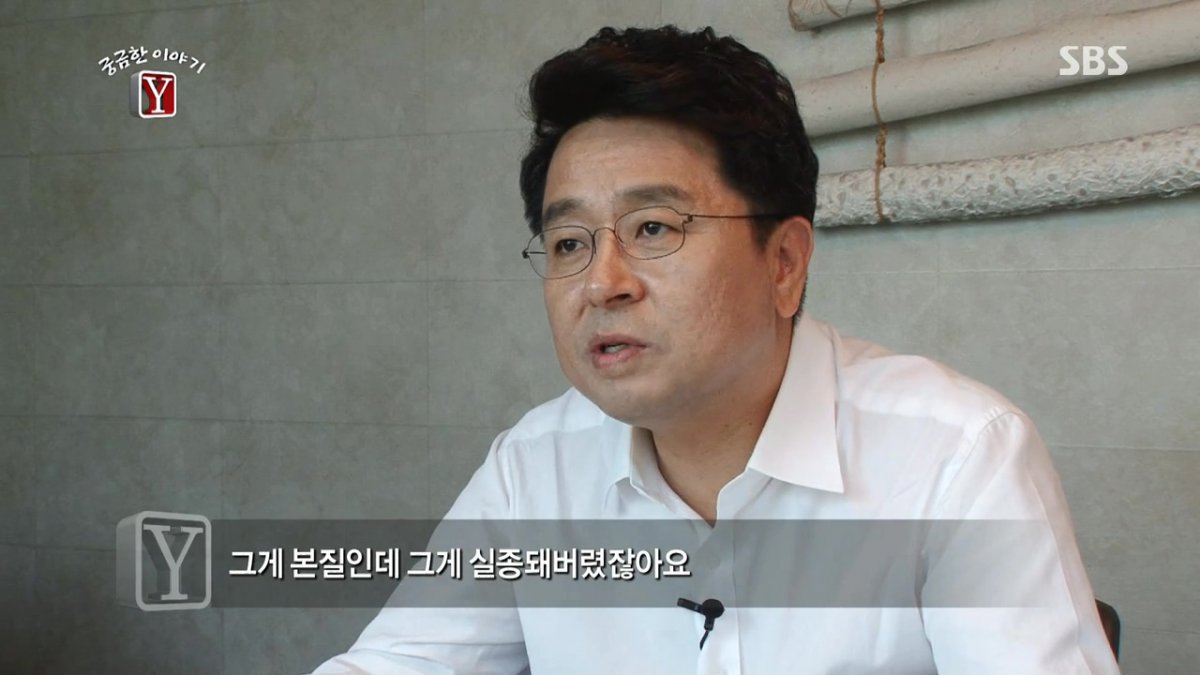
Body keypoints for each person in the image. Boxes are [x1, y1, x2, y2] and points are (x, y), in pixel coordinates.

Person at [312, 25, 1120, 674]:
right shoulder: (534, 468)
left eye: (653, 228)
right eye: (568, 243)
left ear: (784, 262)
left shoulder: (955, 458)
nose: (602, 283)